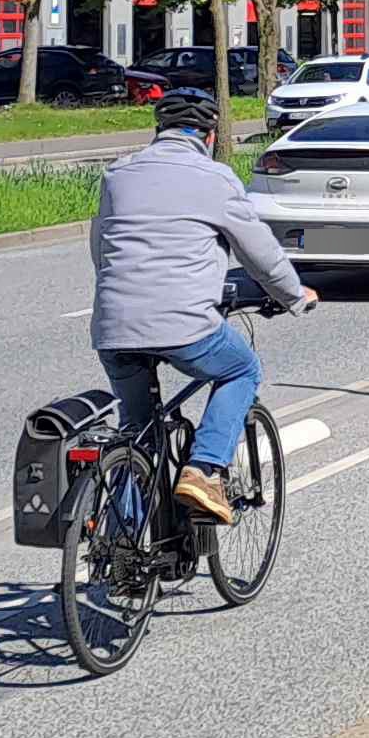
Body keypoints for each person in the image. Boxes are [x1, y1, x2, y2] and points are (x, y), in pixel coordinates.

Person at [90, 93, 312, 521]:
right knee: (241, 370)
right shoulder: (215, 178)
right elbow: (260, 253)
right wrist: (295, 296)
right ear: (209, 137)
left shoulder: (117, 174)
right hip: (184, 326)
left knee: (137, 431)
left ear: (158, 132)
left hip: (113, 326)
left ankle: (119, 539)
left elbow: (101, 248)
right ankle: (205, 470)